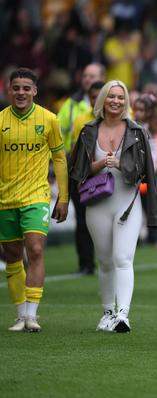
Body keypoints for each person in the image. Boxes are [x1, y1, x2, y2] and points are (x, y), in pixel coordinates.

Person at [69, 80, 157, 333]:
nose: (116, 101)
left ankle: (123, 315)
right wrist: (100, 165)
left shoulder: (137, 131)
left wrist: (120, 164)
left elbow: (146, 172)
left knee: (122, 258)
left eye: (121, 97)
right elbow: (76, 171)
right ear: (103, 100)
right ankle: (107, 312)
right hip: (97, 204)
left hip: (127, 202)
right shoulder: (88, 131)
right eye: (111, 97)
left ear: (126, 101)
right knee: (105, 261)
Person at [2, 68, 69, 332]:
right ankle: (20, 315)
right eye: (16, 88)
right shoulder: (0, 121)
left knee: (36, 250)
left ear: (35, 91)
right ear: (9, 90)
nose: (21, 92)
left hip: (36, 196)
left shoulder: (49, 119)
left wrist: (63, 197)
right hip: (5, 198)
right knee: (12, 256)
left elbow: (60, 158)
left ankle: (32, 315)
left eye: (26, 88)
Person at [69, 80, 105, 275]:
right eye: (93, 98)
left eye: (100, 98)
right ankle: (86, 264)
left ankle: (108, 262)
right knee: (83, 221)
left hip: (108, 179)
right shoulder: (81, 120)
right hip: (83, 177)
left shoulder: (122, 119)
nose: (96, 101)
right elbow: (76, 151)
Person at [133, 93, 157, 244]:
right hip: (137, 172)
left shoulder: (149, 128)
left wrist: (152, 169)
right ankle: (138, 236)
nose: (137, 113)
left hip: (149, 172)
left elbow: (153, 152)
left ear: (149, 112)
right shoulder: (134, 126)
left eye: (142, 110)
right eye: (136, 109)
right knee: (136, 206)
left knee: (150, 205)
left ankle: (153, 237)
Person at [57, 63, 106, 151]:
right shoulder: (71, 103)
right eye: (85, 76)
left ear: (102, 78)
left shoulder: (113, 102)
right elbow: (57, 131)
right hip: (72, 157)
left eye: (92, 76)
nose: (87, 79)